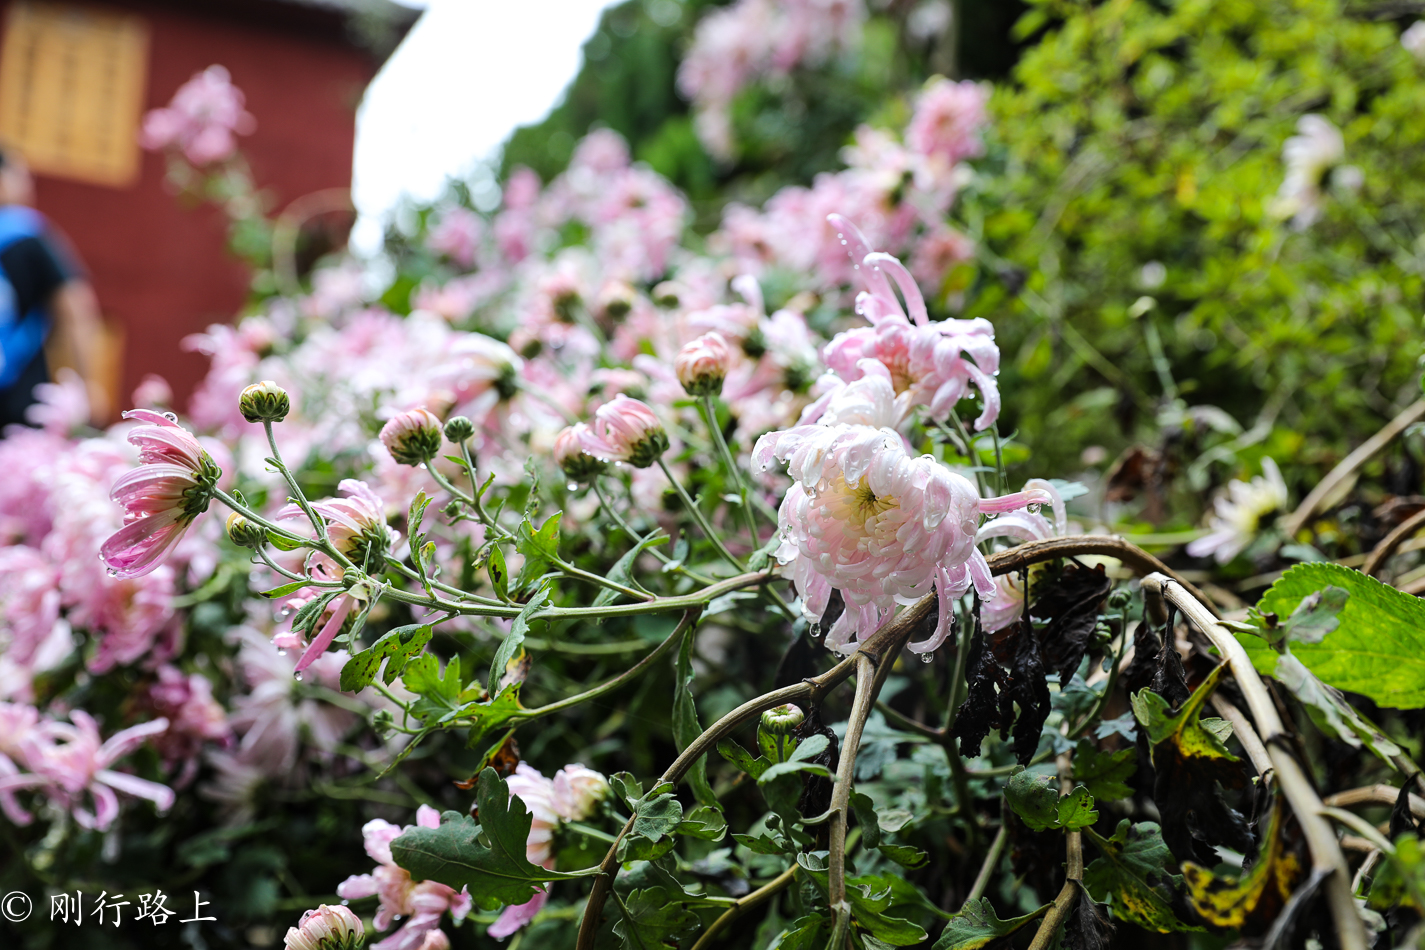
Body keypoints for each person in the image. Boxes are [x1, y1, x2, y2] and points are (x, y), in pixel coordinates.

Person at [0, 148, 106, 429]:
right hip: (17, 405)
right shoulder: (27, 234)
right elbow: (75, 310)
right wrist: (88, 385)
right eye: (21, 176)